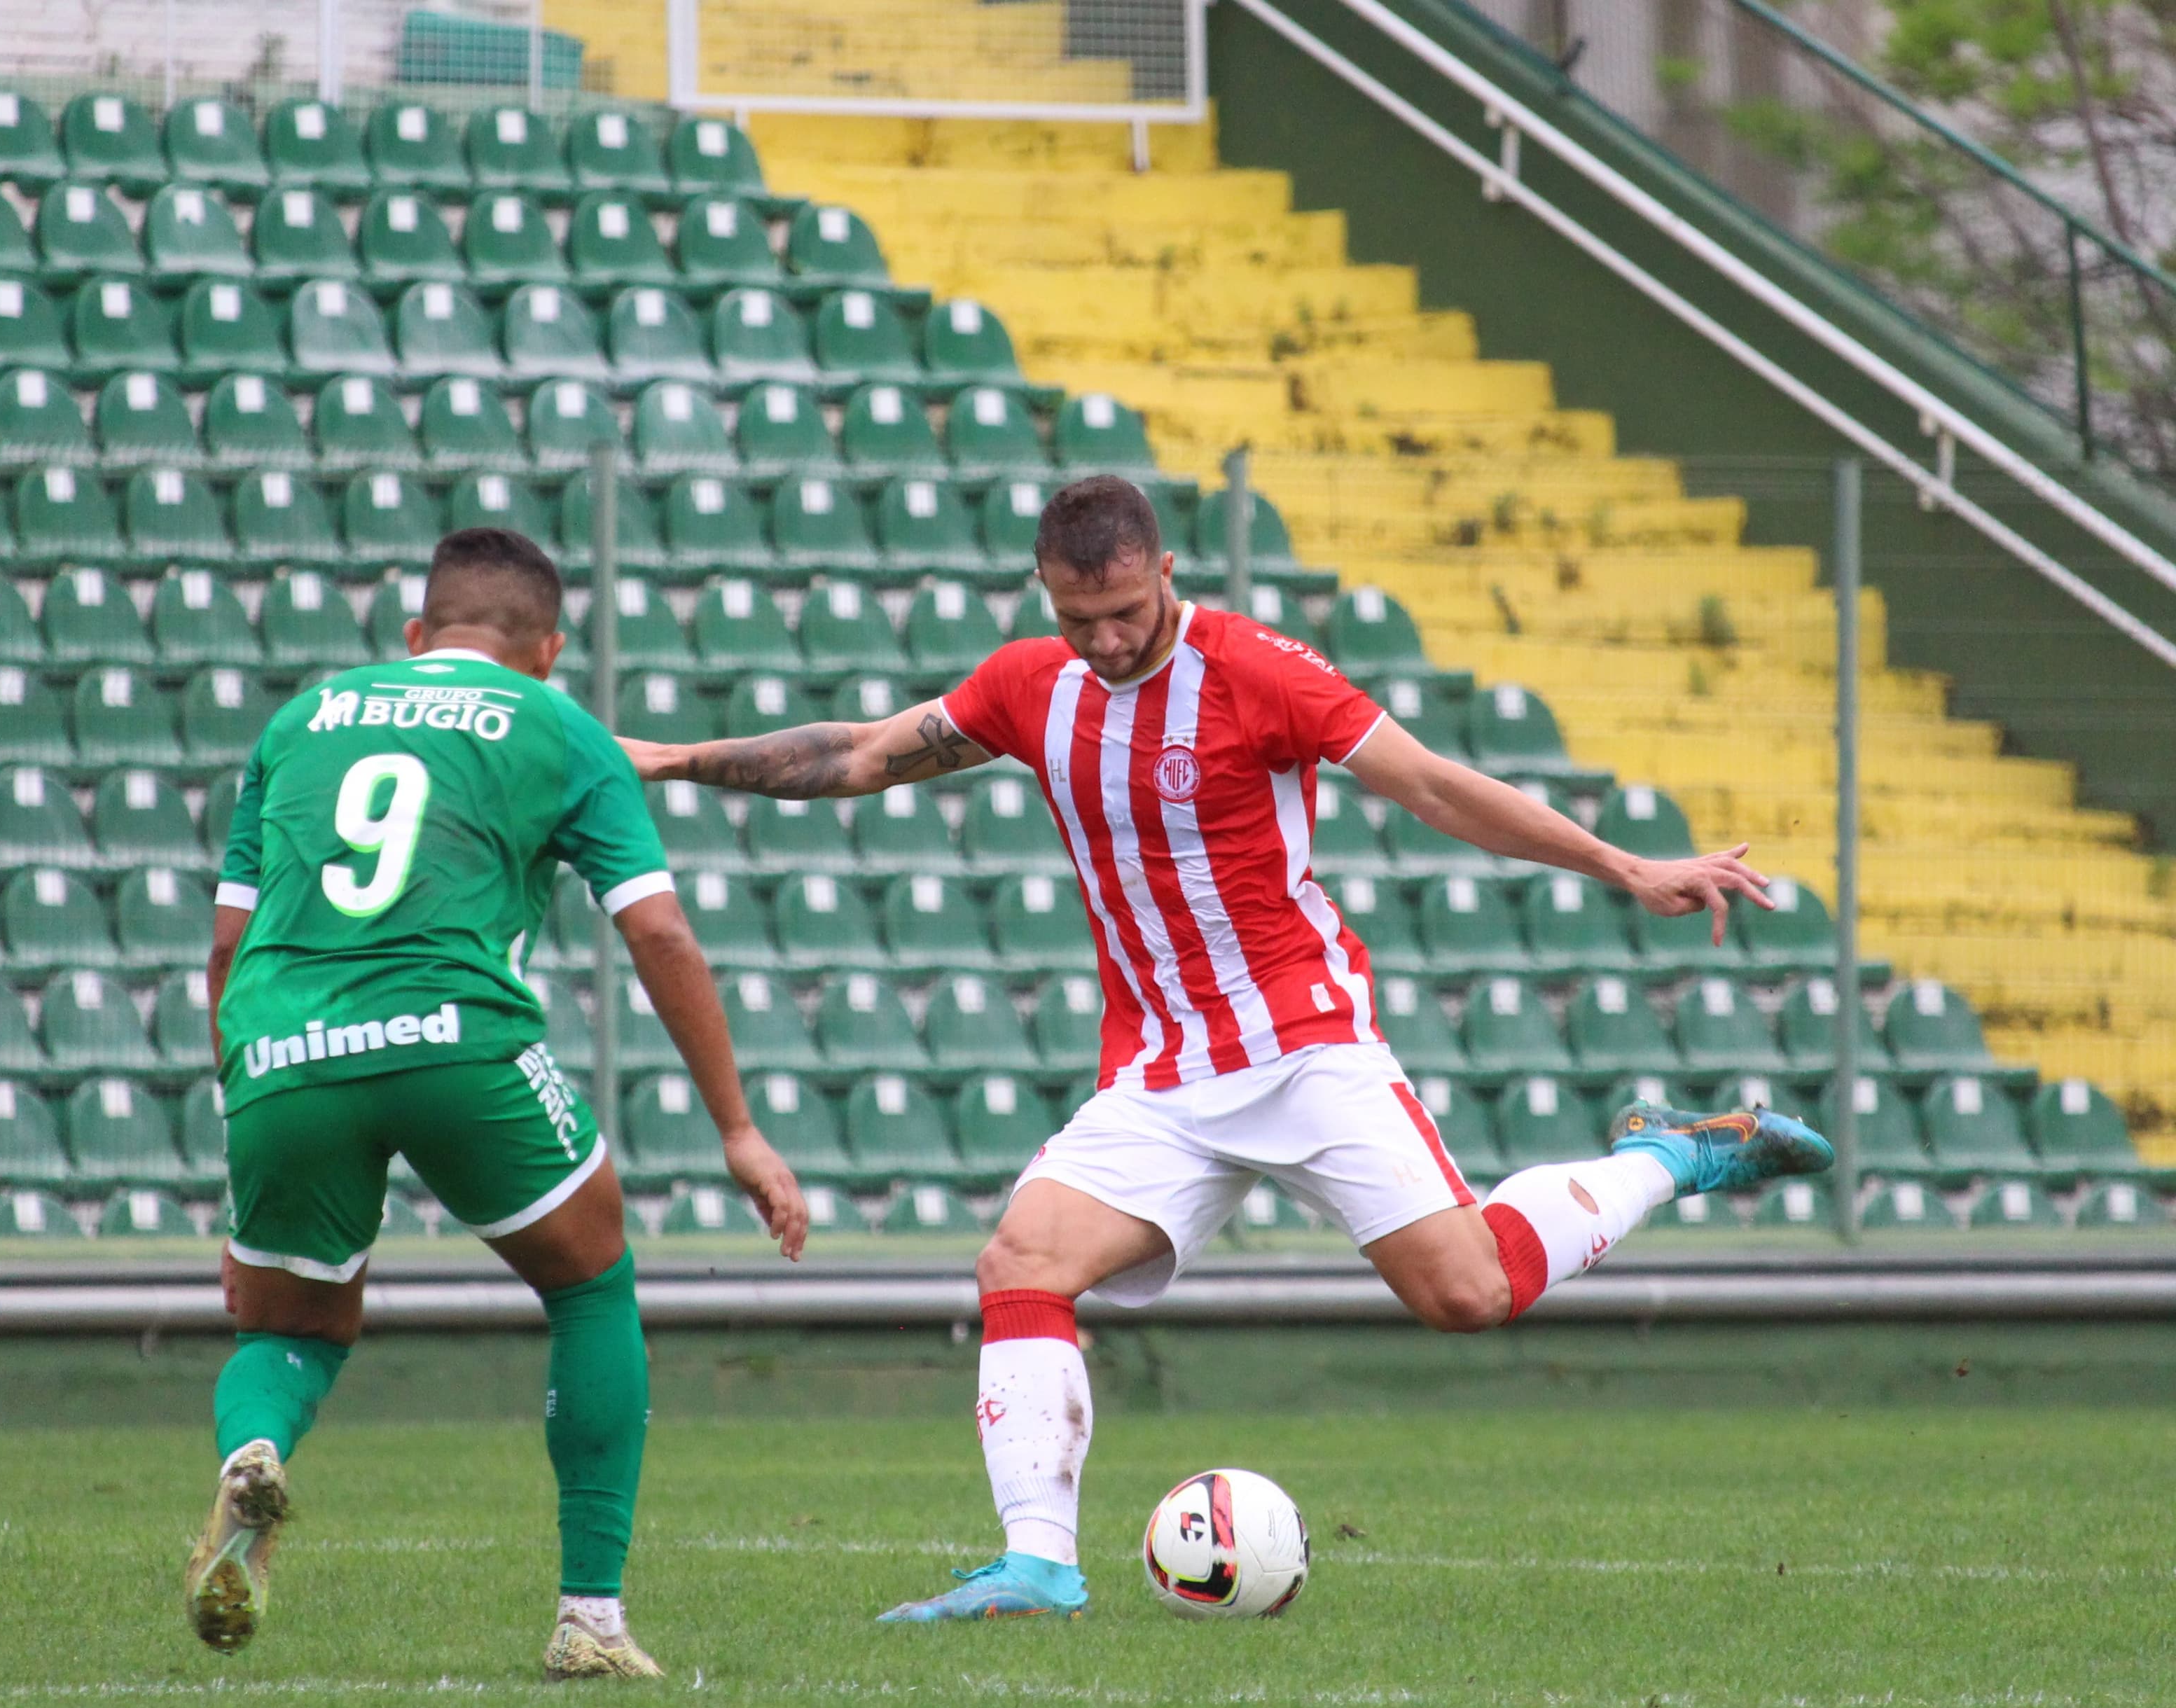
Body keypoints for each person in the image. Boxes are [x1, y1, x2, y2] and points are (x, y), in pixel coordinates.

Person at [621, 475, 1831, 1622]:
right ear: (1045, 591)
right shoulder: (1028, 685)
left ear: (1167, 573)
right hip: (1159, 1075)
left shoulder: (1257, 671)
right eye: (1075, 614)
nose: (1100, 637)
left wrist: (1625, 864)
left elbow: (1436, 788)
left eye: (1124, 611)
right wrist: (670, 761)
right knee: (1021, 1261)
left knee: (1469, 1293)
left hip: (1306, 1047)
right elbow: (859, 754)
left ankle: (1672, 1153)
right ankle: (1038, 1565)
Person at [194, 527, 807, 1677]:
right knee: (590, 1278)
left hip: (282, 1046)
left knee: (287, 1325)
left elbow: (227, 949)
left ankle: (257, 1451)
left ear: (418, 634)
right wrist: (738, 1128)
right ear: (549, 649)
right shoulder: (560, 727)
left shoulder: (300, 720)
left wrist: (248, 1126)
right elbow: (659, 929)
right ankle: (590, 1617)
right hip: (455, 1041)